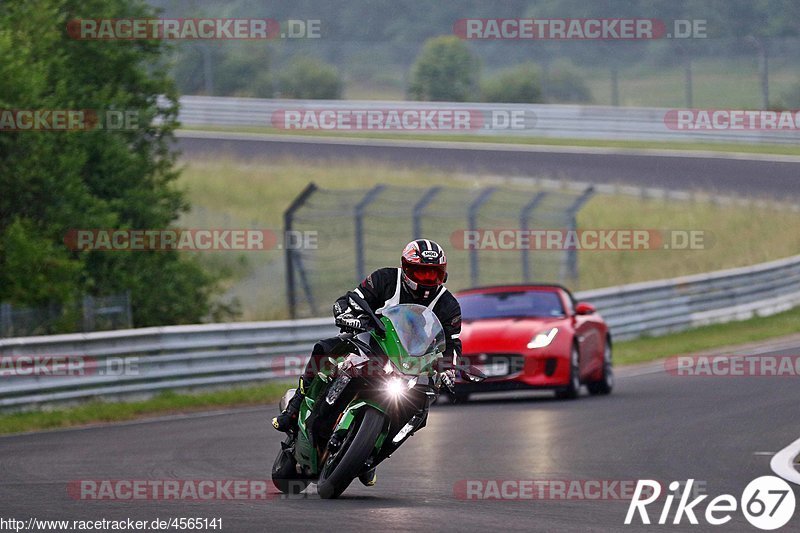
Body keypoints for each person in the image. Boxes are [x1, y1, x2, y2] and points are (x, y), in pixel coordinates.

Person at [272, 239, 462, 485]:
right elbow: (351, 300)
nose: (428, 279)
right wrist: (349, 316)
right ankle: (295, 406)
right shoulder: (384, 279)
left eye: (434, 273)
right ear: (406, 269)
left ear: (443, 274)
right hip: (371, 345)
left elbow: (453, 343)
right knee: (324, 349)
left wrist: (448, 369)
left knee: (421, 408)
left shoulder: (448, 305)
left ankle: (371, 454)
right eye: (421, 272)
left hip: (412, 363)